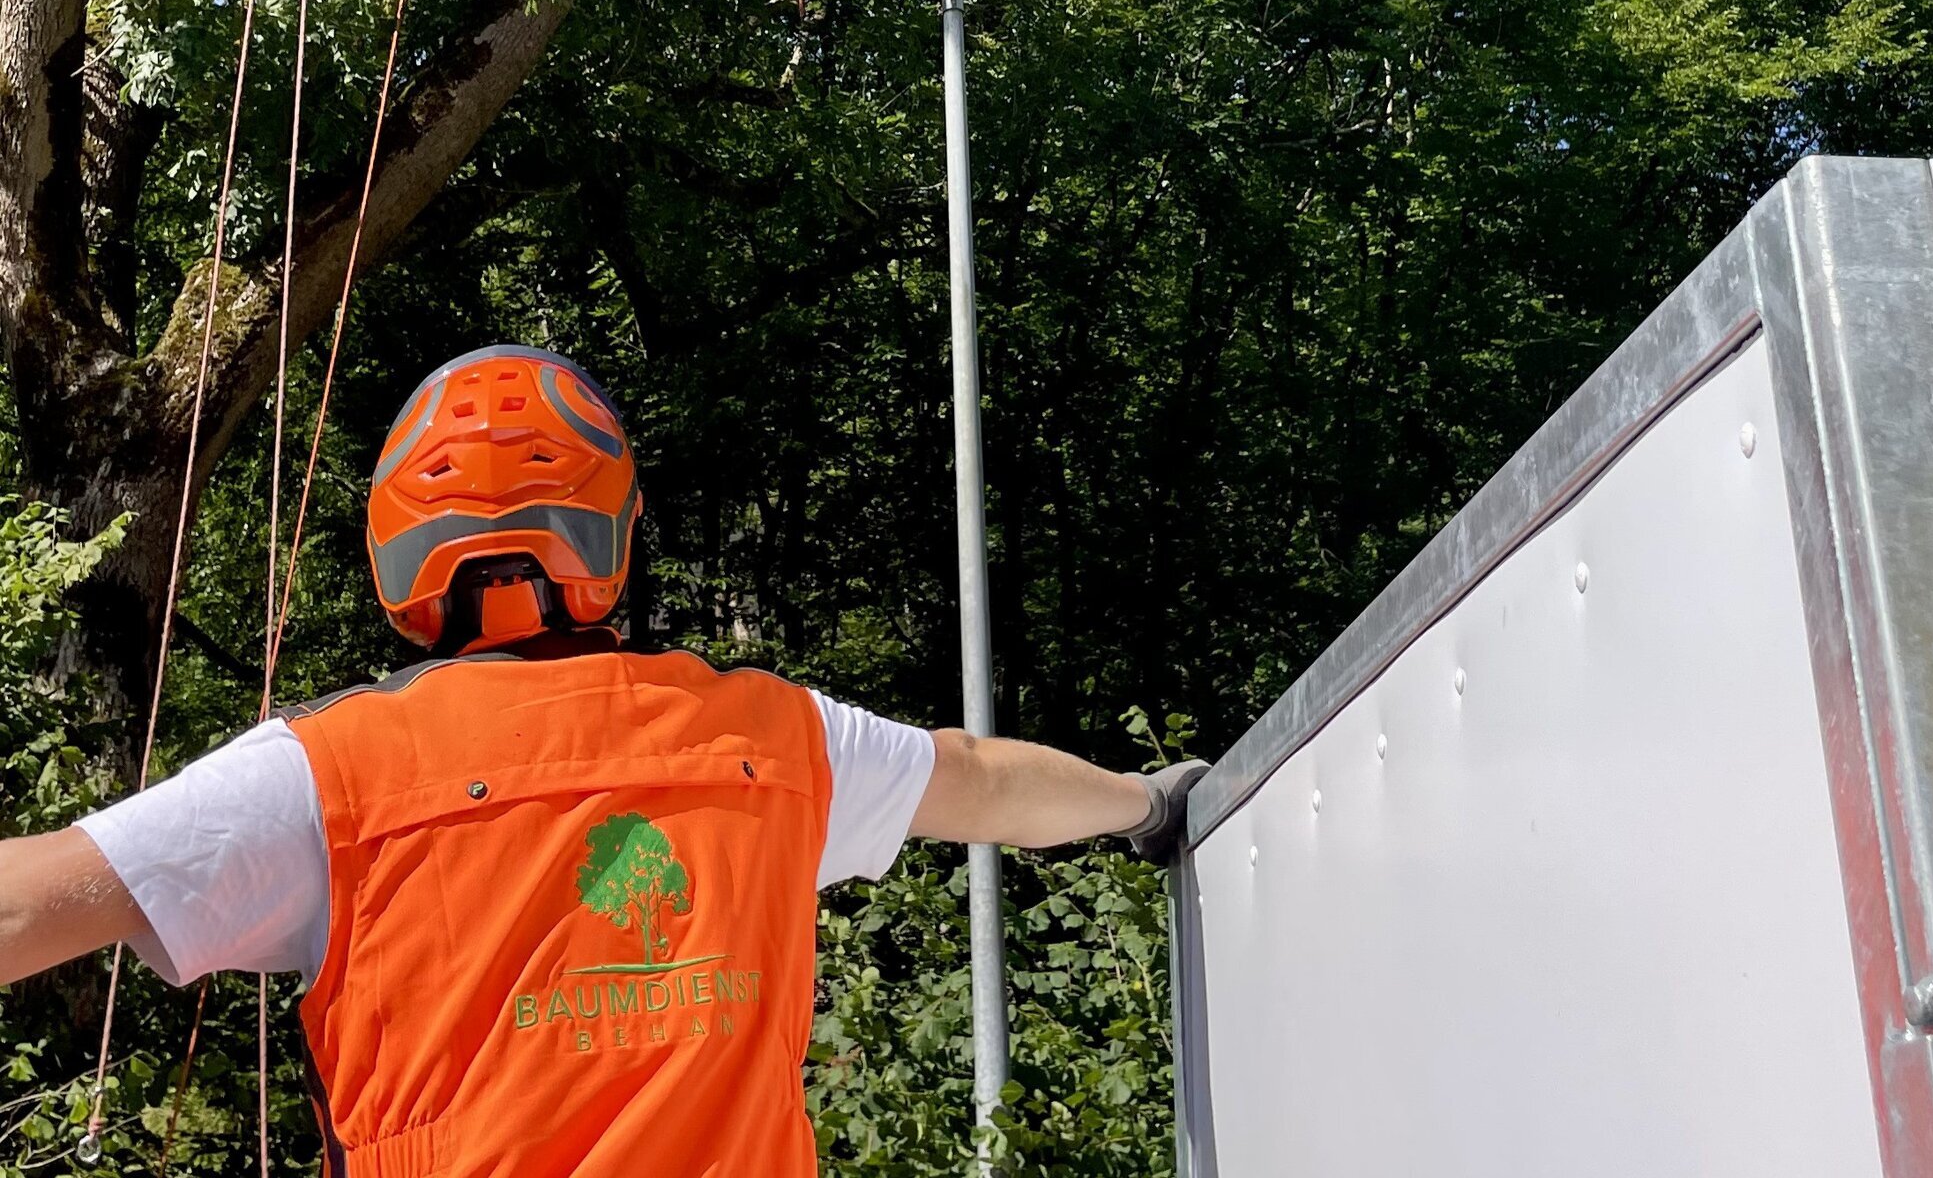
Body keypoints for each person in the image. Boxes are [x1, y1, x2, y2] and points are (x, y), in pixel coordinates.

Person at [0, 345, 1206, 1176]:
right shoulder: (771, 737)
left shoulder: (328, 771)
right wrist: (1149, 803)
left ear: (395, 549)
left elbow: (26, 903)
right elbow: (983, 778)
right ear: (613, 527)